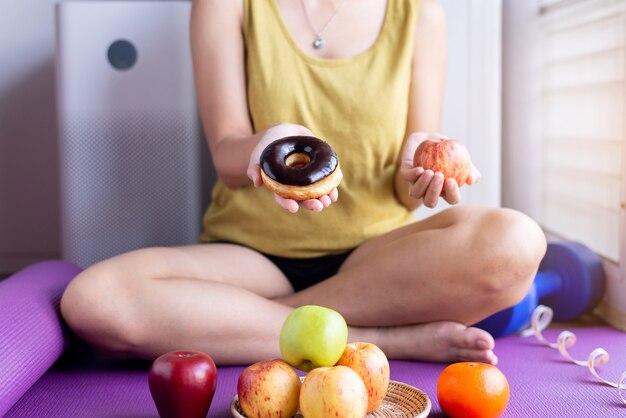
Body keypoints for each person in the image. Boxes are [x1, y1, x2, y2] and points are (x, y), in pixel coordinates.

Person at [60, 0, 546, 366]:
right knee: (92, 300)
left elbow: (404, 183)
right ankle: (380, 338)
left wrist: (421, 175)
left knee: (518, 242)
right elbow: (227, 150)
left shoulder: (419, 13)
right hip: (252, 257)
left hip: (378, 263)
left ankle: (246, 319)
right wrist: (259, 146)